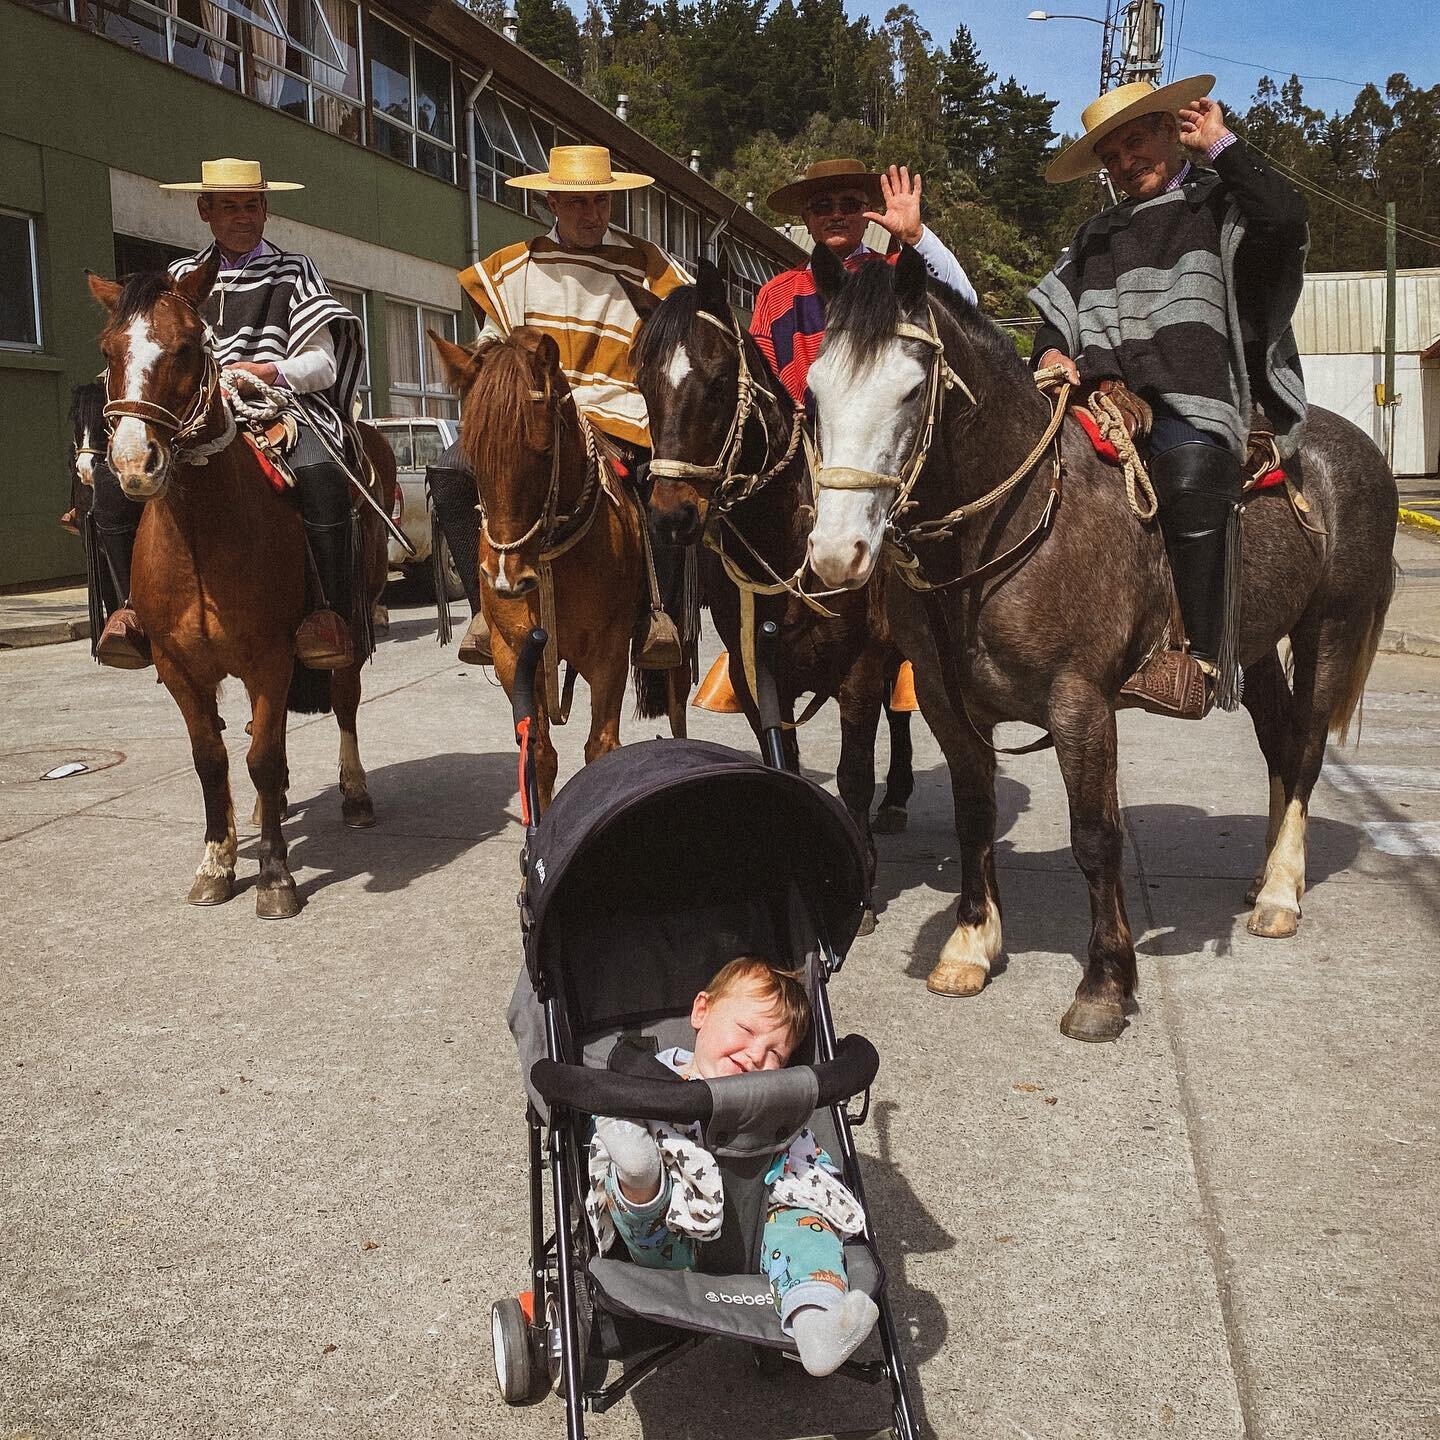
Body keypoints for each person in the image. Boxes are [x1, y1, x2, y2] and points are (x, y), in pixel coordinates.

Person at [1029, 78, 1308, 718]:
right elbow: (1056, 310)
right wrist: (1049, 349)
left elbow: (1284, 218)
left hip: (1196, 391)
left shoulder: (1218, 204)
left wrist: (1222, 144)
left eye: (1136, 142)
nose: (1126, 163)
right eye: (1111, 157)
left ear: (1170, 131)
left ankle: (1203, 656)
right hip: (1103, 395)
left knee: (1187, 466)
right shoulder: (1094, 234)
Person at [93, 158, 366, 672]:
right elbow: (140, 355)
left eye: (252, 205)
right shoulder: (173, 279)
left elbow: (324, 362)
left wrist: (269, 371)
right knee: (109, 484)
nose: (243, 217)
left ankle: (328, 612)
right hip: (188, 411)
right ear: (204, 211)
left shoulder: (294, 269)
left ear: (265, 210)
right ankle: (129, 611)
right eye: (229, 207)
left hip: (277, 406)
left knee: (321, 474)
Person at [434, 145, 690, 666]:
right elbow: (489, 347)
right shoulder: (515, 268)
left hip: (621, 411)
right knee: (451, 476)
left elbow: (678, 340)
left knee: (655, 486)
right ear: (551, 200)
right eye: (576, 203)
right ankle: (483, 611)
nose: (590, 214)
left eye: (599, 202)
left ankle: (654, 615)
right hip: (534, 418)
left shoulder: (647, 265)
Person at [587, 956, 878, 1378]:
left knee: (804, 1222)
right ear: (701, 1011)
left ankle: (817, 1321)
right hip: (666, 1241)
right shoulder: (646, 1076)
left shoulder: (775, 1101)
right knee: (628, 1159)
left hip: (760, 1227)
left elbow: (806, 1167)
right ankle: (638, 1175)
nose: (756, 1055)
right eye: (745, 1030)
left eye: (776, 1052)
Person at [751, 160, 977, 409]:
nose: (836, 215)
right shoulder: (775, 294)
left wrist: (915, 236)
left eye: (850, 205)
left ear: (868, 215)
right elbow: (760, 379)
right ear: (806, 218)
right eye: (822, 206)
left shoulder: (892, 274)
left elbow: (963, 303)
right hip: (799, 437)